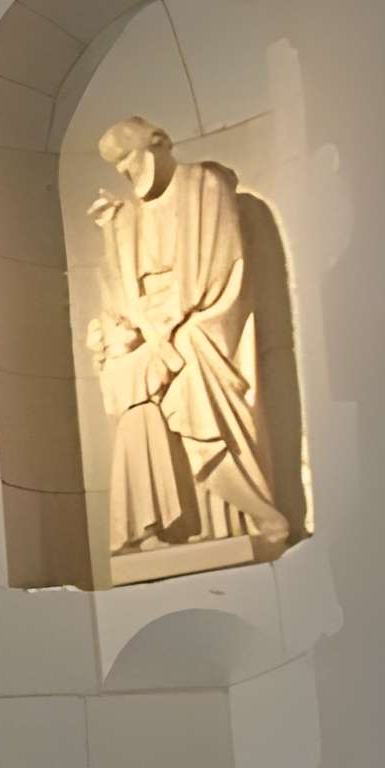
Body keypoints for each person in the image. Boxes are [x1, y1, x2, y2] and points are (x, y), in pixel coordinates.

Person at [85, 118, 287, 554]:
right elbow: (120, 295)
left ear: (159, 143)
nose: (125, 173)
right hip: (155, 332)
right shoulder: (125, 219)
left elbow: (221, 261)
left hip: (202, 320)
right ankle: (171, 523)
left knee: (196, 383)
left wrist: (170, 322)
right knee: (137, 401)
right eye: (117, 166)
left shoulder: (203, 184)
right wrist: (112, 235)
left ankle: (247, 515)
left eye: (129, 158)